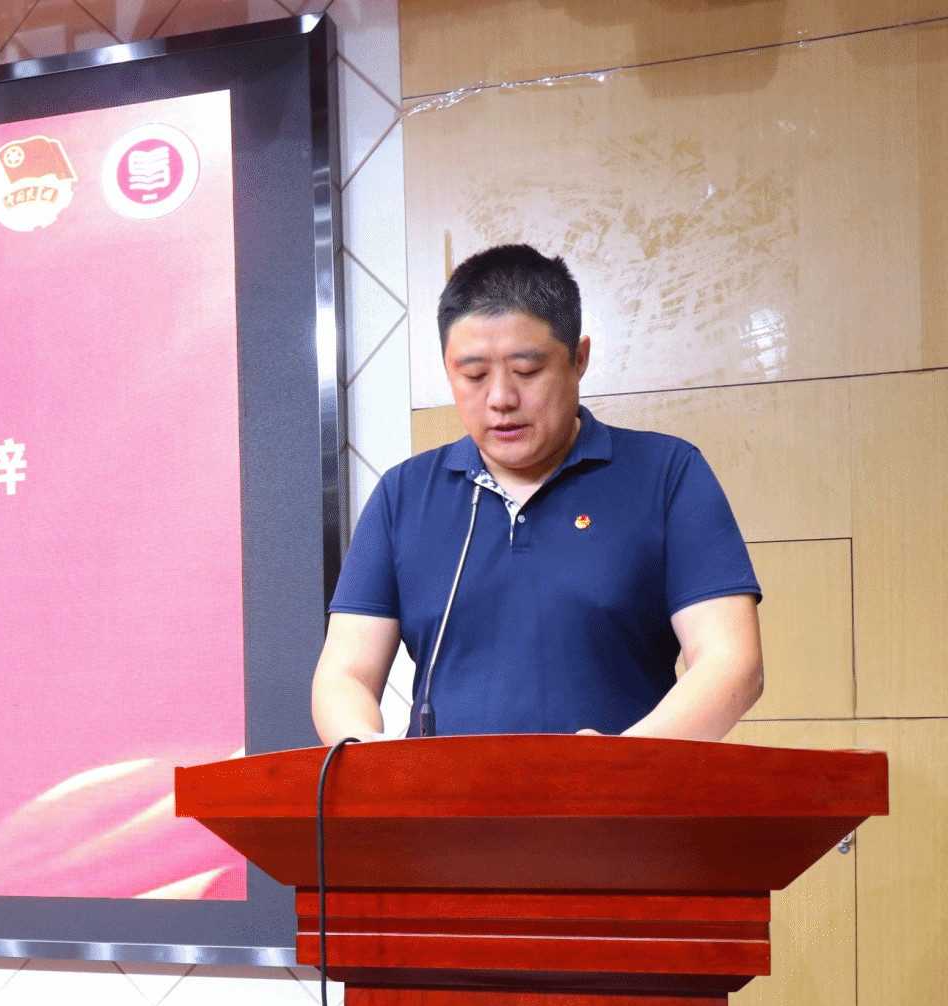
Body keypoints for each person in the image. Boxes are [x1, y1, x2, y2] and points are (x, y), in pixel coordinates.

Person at [312, 244, 764, 743]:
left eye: (526, 371)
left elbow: (731, 662)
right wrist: (367, 754)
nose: (501, 399)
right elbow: (345, 675)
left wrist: (621, 764)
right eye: (473, 375)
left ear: (579, 359)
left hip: (622, 791)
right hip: (445, 796)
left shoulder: (667, 474)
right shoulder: (403, 495)